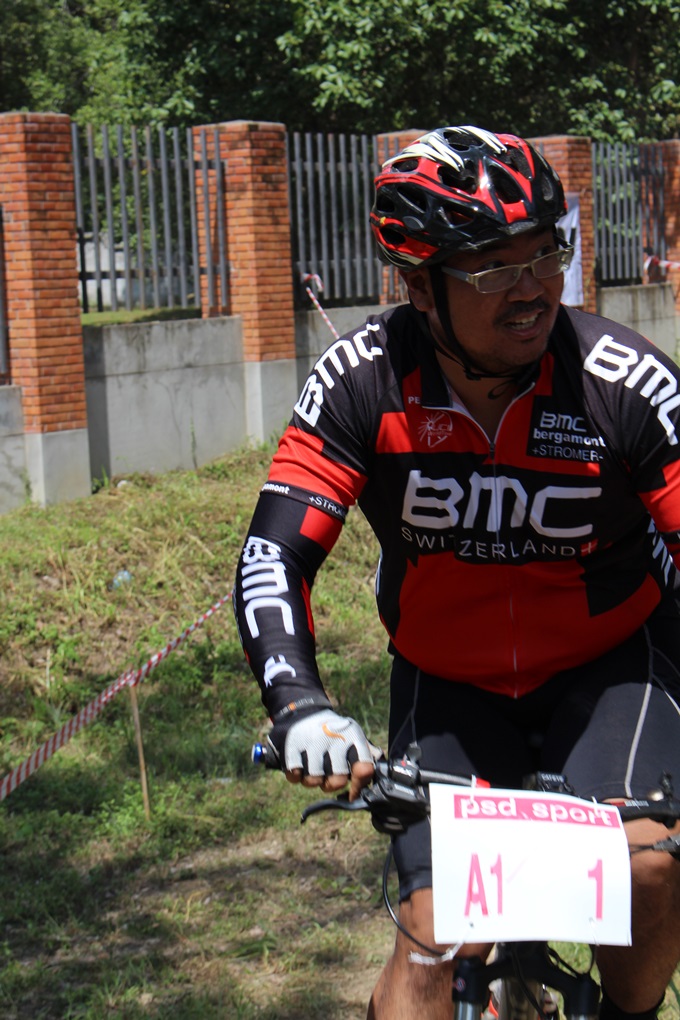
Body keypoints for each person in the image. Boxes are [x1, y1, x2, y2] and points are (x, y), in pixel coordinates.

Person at [233, 125, 680, 1020]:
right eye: (492, 269)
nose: (533, 287)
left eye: (545, 253)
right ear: (418, 286)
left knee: (644, 869)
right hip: (449, 684)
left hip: (610, 670)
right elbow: (275, 553)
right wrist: (299, 703)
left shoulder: (622, 383)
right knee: (435, 941)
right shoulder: (362, 382)